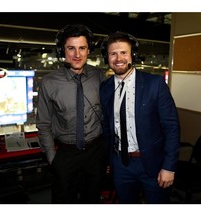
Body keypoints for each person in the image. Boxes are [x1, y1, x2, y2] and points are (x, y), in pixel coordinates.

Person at [99, 31, 180, 204]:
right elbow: (107, 128)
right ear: (107, 58)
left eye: (123, 52)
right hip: (120, 164)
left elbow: (171, 127)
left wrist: (169, 166)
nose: (118, 58)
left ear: (132, 55)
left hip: (152, 163)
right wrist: (109, 160)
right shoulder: (105, 88)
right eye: (113, 53)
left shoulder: (155, 84)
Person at [36, 24, 107, 204]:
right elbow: (43, 124)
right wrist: (53, 158)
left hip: (95, 152)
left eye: (82, 48)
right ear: (62, 50)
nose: (77, 54)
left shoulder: (99, 75)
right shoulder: (49, 82)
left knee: (92, 201)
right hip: (66, 154)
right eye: (71, 48)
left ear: (88, 50)